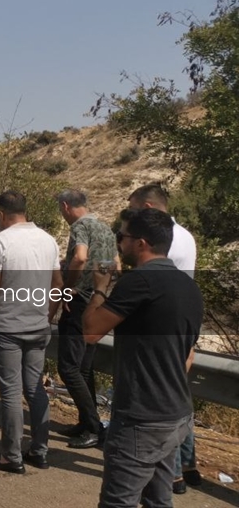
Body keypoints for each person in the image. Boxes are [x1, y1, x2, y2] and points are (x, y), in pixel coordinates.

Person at [84, 208, 203, 508]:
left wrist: (99, 287)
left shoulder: (139, 281)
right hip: (176, 414)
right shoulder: (189, 286)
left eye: (121, 236)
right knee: (158, 501)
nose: (119, 243)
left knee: (118, 502)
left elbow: (90, 332)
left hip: (142, 418)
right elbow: (188, 355)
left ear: (141, 243)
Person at [0, 190, 62, 473]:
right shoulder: (48, 240)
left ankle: (11, 456)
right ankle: (39, 450)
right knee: (35, 389)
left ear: (0, 214)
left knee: (10, 393)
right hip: (38, 327)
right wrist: (46, 317)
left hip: (8, 329)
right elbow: (58, 287)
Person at [127, 184, 202, 493]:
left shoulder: (162, 240)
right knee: (178, 398)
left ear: (147, 207)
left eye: (133, 209)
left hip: (160, 325)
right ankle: (186, 465)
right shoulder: (186, 235)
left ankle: (171, 474)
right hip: (184, 319)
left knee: (163, 401)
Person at [55, 189, 117, 448]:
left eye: (61, 209)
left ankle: (93, 427)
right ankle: (86, 423)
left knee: (68, 367)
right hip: (99, 300)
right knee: (83, 368)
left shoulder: (80, 227)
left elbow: (80, 257)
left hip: (79, 301)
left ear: (66, 206)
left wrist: (67, 288)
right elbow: (116, 265)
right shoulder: (105, 228)